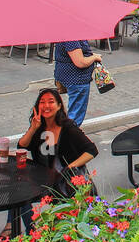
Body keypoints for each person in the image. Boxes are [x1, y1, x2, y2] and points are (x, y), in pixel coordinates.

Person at [17, 89, 98, 230]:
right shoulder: (38, 127)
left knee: (68, 222)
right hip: (43, 180)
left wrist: (70, 167)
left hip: (66, 181)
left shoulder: (67, 128)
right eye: (42, 102)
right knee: (18, 195)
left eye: (51, 102)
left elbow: (91, 151)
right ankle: (32, 233)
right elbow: (21, 146)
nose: (46, 106)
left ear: (59, 106)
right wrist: (33, 128)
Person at [53, 40, 103, 126]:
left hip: (70, 77)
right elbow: (80, 62)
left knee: (74, 110)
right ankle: (69, 135)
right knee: (75, 115)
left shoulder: (69, 35)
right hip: (76, 80)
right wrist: (94, 58)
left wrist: (91, 55)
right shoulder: (72, 38)